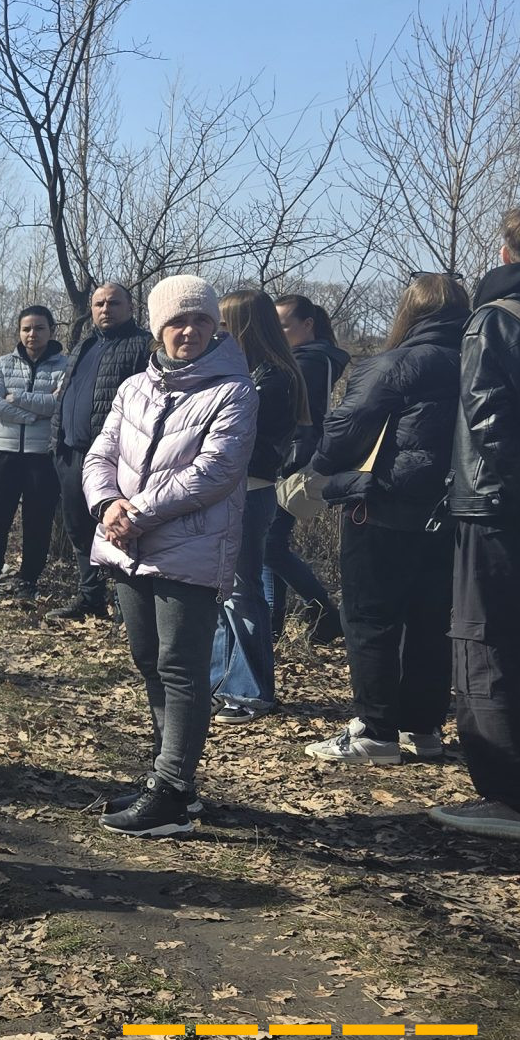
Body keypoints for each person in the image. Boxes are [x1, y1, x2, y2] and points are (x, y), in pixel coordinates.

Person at [83, 275, 256, 837]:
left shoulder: (233, 390)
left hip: (191, 550)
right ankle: (168, 776)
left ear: (215, 327)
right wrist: (106, 502)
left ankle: (173, 789)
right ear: (158, 329)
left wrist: (136, 512)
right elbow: (101, 451)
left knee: (182, 669)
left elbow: (215, 472)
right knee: (149, 662)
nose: (188, 331)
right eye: (176, 322)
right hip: (127, 547)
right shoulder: (135, 386)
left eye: (199, 321)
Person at [429, 205, 520, 842]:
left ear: (507, 252)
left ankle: (515, 800)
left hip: (504, 512)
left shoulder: (496, 318)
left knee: (487, 647)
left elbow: (489, 425)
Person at [303, 272, 468, 766]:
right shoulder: (480, 362)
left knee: (371, 619)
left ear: (410, 312)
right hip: (452, 513)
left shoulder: (395, 362)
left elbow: (343, 430)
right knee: (431, 620)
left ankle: (377, 732)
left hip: (384, 504)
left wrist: (321, 473)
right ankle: (424, 727)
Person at [205, 289, 308, 725]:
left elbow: (237, 436)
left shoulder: (274, 378)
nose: (217, 334)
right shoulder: (247, 372)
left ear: (245, 326)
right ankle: (217, 682)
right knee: (219, 592)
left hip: (251, 490)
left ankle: (251, 692)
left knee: (243, 592)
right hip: (227, 491)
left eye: (225, 325)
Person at [51, 282, 151, 620]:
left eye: (113, 303)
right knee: (78, 527)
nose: (105, 309)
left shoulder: (142, 345)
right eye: (98, 304)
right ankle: (91, 596)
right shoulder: (84, 345)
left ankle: (128, 603)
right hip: (70, 451)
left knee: (120, 528)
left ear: (131, 307)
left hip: (114, 457)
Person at [271, 293, 351, 645]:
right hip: (296, 459)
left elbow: (299, 421)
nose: (278, 332)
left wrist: (286, 464)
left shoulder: (307, 363)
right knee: (268, 544)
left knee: (268, 545)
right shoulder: (317, 358)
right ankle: (271, 625)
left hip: (290, 462)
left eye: (284, 326)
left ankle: (323, 610)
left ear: (308, 325)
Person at [0, 305, 68, 599]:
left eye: (39, 328)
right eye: (26, 328)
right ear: (18, 332)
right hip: (2, 451)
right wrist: (32, 414)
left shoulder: (64, 365)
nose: (32, 334)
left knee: (37, 519)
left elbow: (59, 404)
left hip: (42, 454)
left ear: (51, 331)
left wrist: (17, 399)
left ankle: (28, 579)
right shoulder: (4, 363)